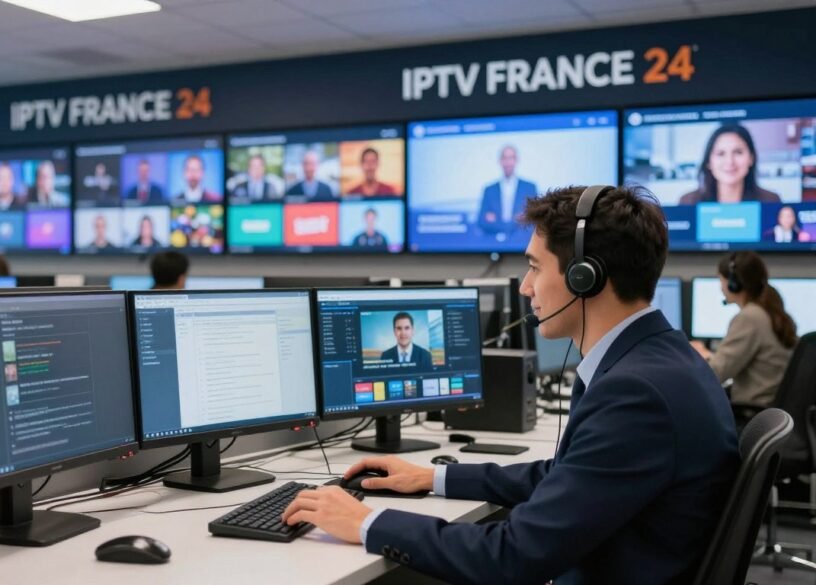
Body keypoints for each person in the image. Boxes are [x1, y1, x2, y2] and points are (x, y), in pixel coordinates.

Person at [282, 185, 739, 585]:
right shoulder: (657, 360)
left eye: (536, 267)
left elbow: (513, 557)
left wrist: (367, 522)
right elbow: (568, 477)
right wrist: (433, 476)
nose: (525, 287)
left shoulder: (637, 394)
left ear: (586, 277)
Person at [691, 251, 797, 406]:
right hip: (772, 414)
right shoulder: (769, 309)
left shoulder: (750, 317)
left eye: (721, 280)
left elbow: (714, 373)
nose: (721, 288)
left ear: (734, 284)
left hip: (753, 414)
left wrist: (699, 354)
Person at [679, 123, 781, 205]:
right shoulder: (688, 202)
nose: (729, 161)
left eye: (738, 152)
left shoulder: (771, 200)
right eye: (721, 154)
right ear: (708, 162)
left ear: (751, 158)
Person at [478, 145, 539, 235]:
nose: (508, 162)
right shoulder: (489, 190)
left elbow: (534, 220)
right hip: (494, 242)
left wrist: (496, 221)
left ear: (516, 160)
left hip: (521, 243)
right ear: (500, 161)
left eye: (511, 158)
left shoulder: (529, 188)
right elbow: (481, 221)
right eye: (505, 158)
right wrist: (516, 221)